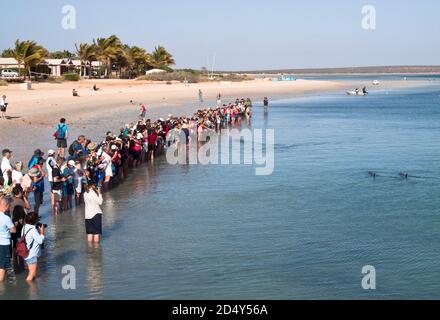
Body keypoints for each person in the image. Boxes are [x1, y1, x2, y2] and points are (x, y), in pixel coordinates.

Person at [21, 212, 45, 281]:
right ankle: (29, 289)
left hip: (26, 253)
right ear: (34, 220)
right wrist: (42, 232)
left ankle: (33, 289)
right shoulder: (33, 230)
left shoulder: (24, 227)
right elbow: (40, 241)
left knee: (32, 273)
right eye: (37, 219)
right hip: (32, 254)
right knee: (32, 273)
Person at [0, 197, 16, 281]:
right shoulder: (6, 218)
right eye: (9, 206)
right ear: (6, 206)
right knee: (3, 265)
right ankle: (2, 287)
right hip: (4, 244)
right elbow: (13, 230)